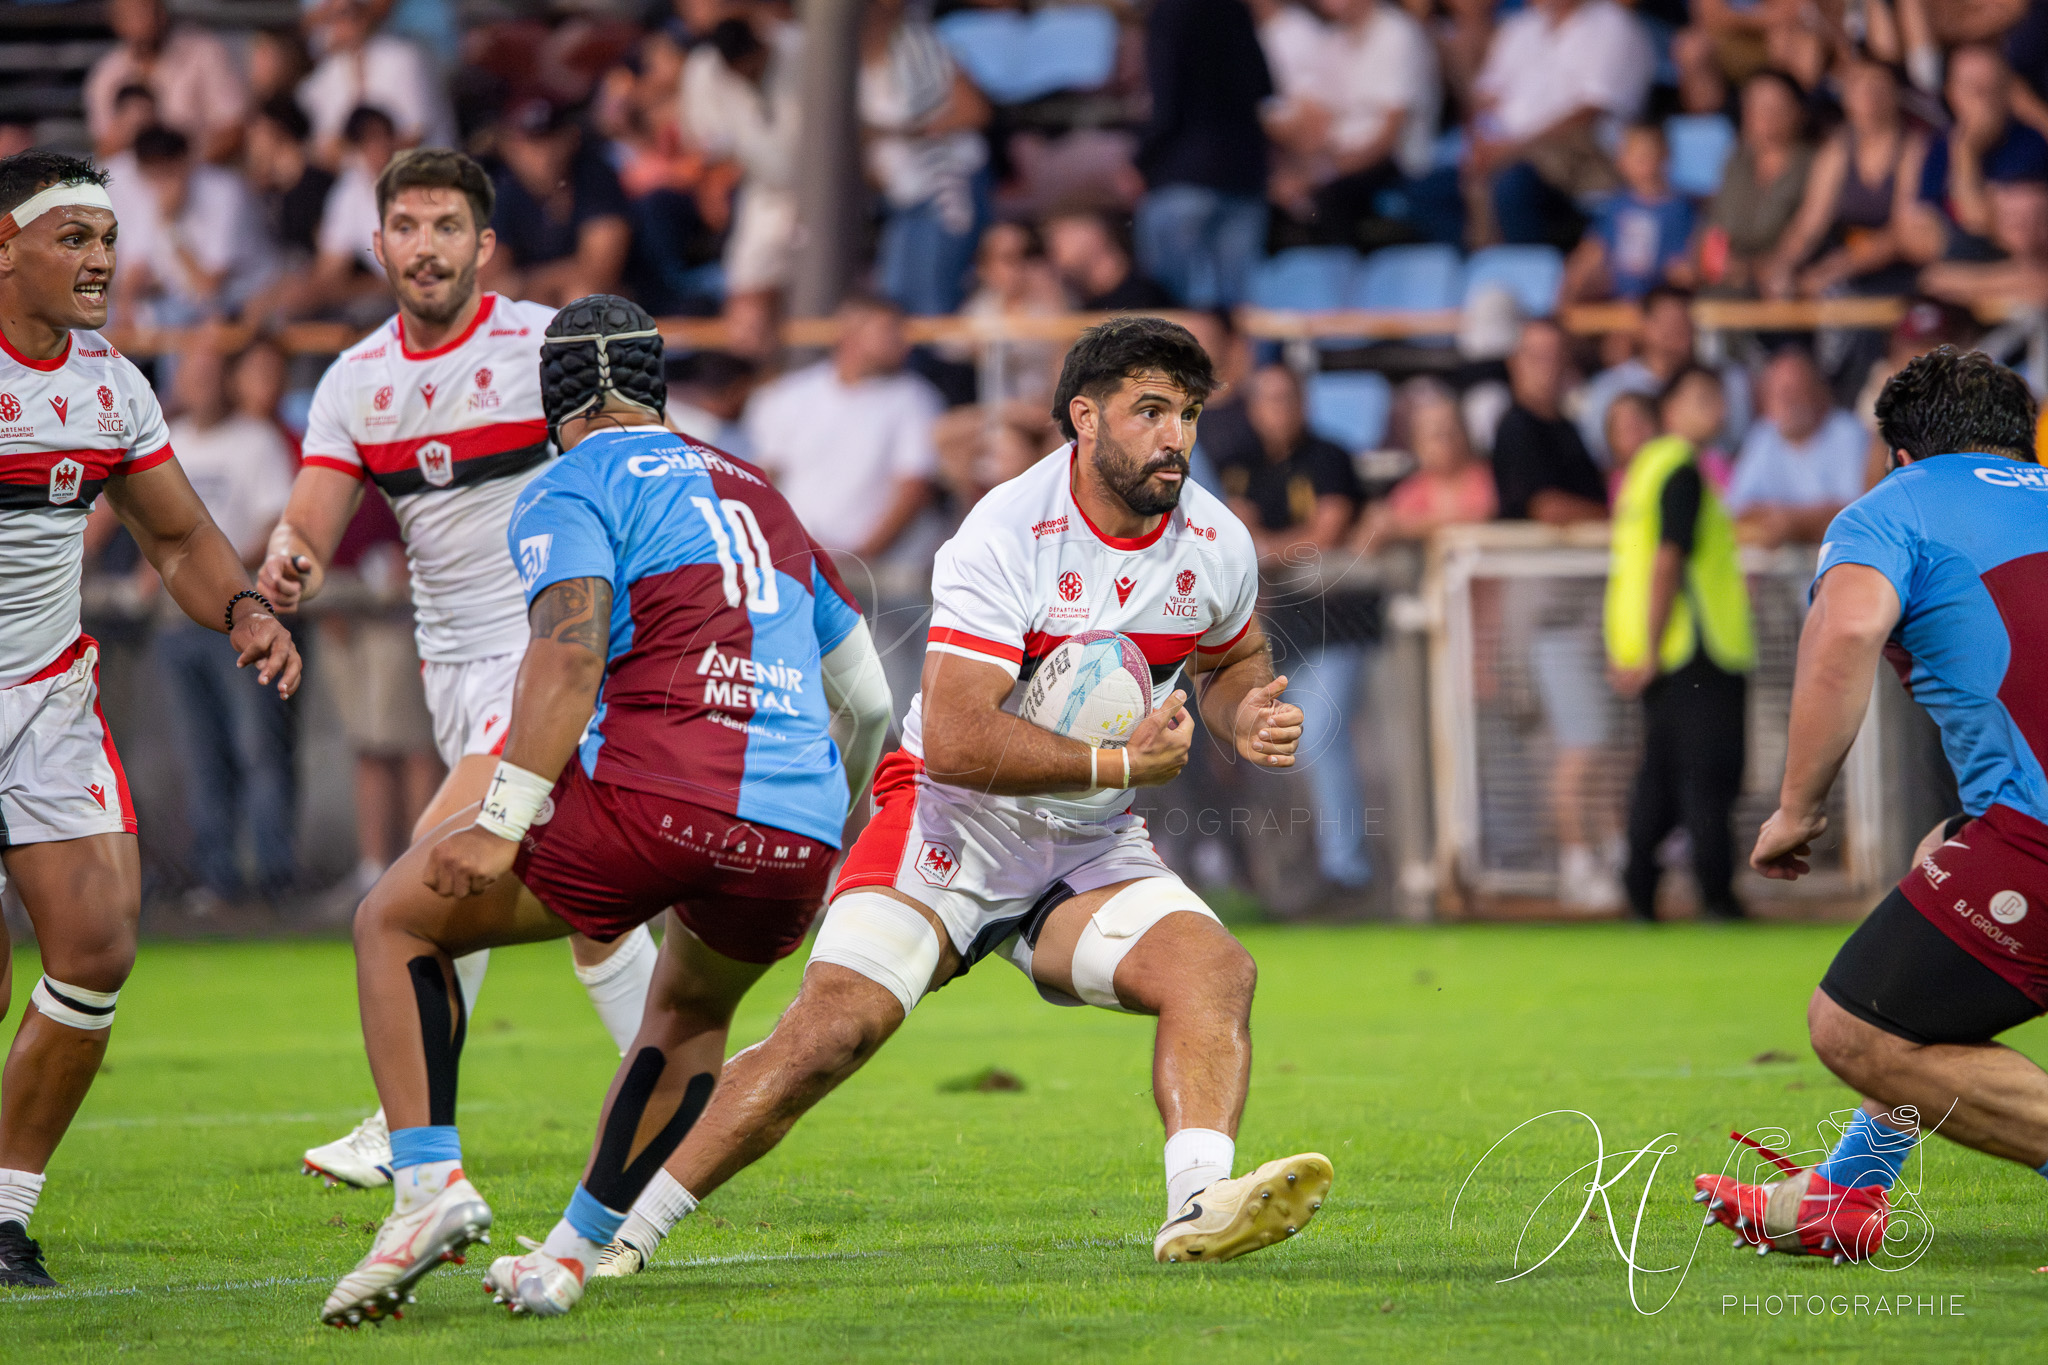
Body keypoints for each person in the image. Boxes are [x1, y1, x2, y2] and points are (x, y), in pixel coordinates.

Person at [595, 317, 1332, 1278]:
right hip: (946, 819)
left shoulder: (1215, 537)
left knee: (1215, 974)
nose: (1176, 438)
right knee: (831, 1032)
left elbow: (1231, 658)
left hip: (1084, 845)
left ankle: (1198, 1203)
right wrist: (1119, 768)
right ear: (1084, 417)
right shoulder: (1005, 531)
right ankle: (611, 1231)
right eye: (1151, 410)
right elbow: (956, 736)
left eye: (1188, 413)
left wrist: (1246, 718)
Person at [314, 294, 893, 1325]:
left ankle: (425, 1190)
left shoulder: (572, 481)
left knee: (396, 916)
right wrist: (822, 824)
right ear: (659, 386)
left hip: (657, 792)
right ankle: (572, 1255)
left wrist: (501, 816)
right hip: (796, 831)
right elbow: (872, 702)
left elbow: (570, 651)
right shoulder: (760, 491)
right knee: (692, 1014)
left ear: (554, 401)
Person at [256, 149, 657, 1190]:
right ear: (377, 242)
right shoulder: (355, 383)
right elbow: (312, 513)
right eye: (407, 227)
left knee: (426, 881)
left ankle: (407, 1133)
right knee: (564, 902)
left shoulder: (540, 350)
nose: (424, 247)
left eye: (446, 228)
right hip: (450, 670)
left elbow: (634, 461)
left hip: (548, 654)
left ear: (482, 246)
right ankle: (678, 1091)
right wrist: (289, 556)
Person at [0, 152, 300, 1287]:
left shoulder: (112, 386)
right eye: (70, 236)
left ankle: (5, 1213)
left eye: (105, 238)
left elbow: (174, 536)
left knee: (97, 949)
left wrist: (242, 609)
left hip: (45, 701)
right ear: (5, 246)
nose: (98, 259)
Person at [1697, 346, 2048, 1264]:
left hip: (2042, 839)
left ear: (1896, 453)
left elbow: (1846, 626)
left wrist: (1796, 808)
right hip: (2014, 831)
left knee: (1852, 1026)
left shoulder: (1895, 508)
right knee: (1942, 855)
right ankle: (1846, 1194)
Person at [1213, 364, 1375, 889]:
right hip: (1278, 633)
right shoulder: (1241, 464)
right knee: (1265, 746)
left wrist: (1269, 551)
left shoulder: (1330, 457)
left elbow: (1325, 533)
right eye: (1268, 399)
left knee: (1318, 736)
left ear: (1304, 401)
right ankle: (1282, 869)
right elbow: (1235, 530)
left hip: (1341, 628)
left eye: (1288, 397)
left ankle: (1345, 870)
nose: (1278, 409)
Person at [1604, 368, 1754, 922]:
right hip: (1697, 647)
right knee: (1707, 777)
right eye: (1701, 398)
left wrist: (1637, 649)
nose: (1716, 407)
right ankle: (1717, 896)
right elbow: (1667, 561)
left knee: (1660, 777)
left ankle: (1639, 891)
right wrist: (1648, 645)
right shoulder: (1682, 471)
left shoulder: (1643, 471)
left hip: (1660, 651)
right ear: (1669, 411)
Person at [156, 338, 302, 907]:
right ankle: (217, 875)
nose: (202, 383)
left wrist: (221, 578)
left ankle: (273, 875)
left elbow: (276, 520)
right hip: (176, 620)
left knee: (257, 747)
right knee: (201, 751)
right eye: (193, 372)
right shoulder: (168, 441)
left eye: (214, 371)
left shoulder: (256, 441)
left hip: (239, 617)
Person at [1492, 319, 1621, 911]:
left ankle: (1603, 849)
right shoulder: (1516, 428)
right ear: (1517, 364)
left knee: (1592, 736)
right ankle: (1577, 861)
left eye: (1555, 356)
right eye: (1534, 355)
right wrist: (1618, 523)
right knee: (1578, 738)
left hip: (1582, 605)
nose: (1546, 366)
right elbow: (1544, 506)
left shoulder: (1567, 425)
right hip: (1549, 610)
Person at [1466, 0, 1656, 247]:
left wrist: (1511, 149)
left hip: (1582, 154)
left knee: (1512, 186)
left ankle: (1529, 274)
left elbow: (1589, 114)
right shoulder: (1519, 27)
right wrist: (1479, 143)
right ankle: (1485, 269)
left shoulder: (1612, 24)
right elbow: (1484, 99)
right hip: (1511, 150)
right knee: (1431, 190)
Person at [1135, 0, 1272, 307]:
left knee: (1178, 312)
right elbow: (1263, 88)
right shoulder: (1235, 9)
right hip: (1244, 176)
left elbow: (1165, 108)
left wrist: (1139, 162)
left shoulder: (1168, 13)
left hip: (1183, 176)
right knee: (1236, 310)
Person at [861, 0, 992, 316]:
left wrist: (904, 130)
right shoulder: (849, 68)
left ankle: (934, 367)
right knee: (894, 298)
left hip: (946, 187)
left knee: (932, 301)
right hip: (902, 200)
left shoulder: (919, 48)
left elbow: (975, 110)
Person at [1762, 57, 1922, 300]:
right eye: (1860, 86)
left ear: (1895, 94)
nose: (1869, 95)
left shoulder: (1913, 149)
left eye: (1877, 86)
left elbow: (1903, 231)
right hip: (1843, 268)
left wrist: (1836, 269)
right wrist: (1781, 266)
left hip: (1895, 271)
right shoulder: (1836, 152)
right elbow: (1808, 224)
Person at [1900, 44, 2048, 267]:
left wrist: (1966, 152)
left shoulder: (2030, 139)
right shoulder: (1937, 145)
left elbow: (1976, 219)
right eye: (1971, 87)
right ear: (1952, 93)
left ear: (2008, 92)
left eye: (1990, 86)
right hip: (1959, 266)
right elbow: (1920, 232)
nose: (1981, 97)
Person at [1577, 286, 1752, 467]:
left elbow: (1737, 445)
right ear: (1644, 325)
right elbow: (1598, 458)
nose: (1677, 329)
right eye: (1668, 321)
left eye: (1685, 321)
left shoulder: (1724, 381)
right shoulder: (1608, 389)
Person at [482, 99, 632, 307]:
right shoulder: (500, 192)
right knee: (525, 305)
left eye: (550, 139)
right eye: (530, 143)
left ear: (571, 138)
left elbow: (601, 269)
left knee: (583, 297)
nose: (544, 154)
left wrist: (527, 282)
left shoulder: (595, 177)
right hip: (535, 304)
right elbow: (492, 282)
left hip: (608, 301)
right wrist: (538, 286)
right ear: (507, 147)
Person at [1724, 346, 1868, 546]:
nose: (1787, 401)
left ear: (1819, 392)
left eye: (1795, 390)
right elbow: (1737, 510)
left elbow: (1855, 513)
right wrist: (1788, 520)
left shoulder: (1848, 433)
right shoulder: (1764, 435)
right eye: (1777, 392)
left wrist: (1794, 522)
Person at [84, 0, 247, 164]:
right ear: (115, 20)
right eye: (130, 11)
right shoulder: (106, 75)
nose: (143, 18)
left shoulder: (205, 53)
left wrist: (178, 171)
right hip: (137, 182)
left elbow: (235, 131)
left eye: (146, 8)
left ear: (162, 11)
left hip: (201, 176)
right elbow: (104, 150)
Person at [1697, 68, 1813, 295]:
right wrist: (1714, 264)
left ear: (1798, 111)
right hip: (1729, 280)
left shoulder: (1815, 163)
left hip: (1789, 279)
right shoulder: (1736, 161)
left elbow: (1807, 233)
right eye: (1756, 107)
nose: (1765, 116)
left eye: (1775, 108)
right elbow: (1716, 227)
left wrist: (1758, 270)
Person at [1561, 122, 1694, 305]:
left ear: (1665, 156)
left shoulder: (1681, 208)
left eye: (1647, 155)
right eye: (1635, 155)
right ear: (1622, 161)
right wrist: (1576, 282)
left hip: (1662, 303)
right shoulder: (1616, 207)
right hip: (1617, 303)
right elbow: (1592, 251)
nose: (1642, 163)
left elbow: (1687, 262)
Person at [1369, 377, 1497, 540]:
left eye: (1453, 430)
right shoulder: (1413, 489)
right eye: (1437, 435)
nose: (1447, 441)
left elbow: (1480, 515)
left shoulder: (1484, 477)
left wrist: (1407, 526)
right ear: (1417, 445)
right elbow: (1385, 523)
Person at [1043, 207, 1177, 311]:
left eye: (1061, 230)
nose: (1053, 243)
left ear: (1096, 231)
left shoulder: (1150, 299)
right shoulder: (1077, 303)